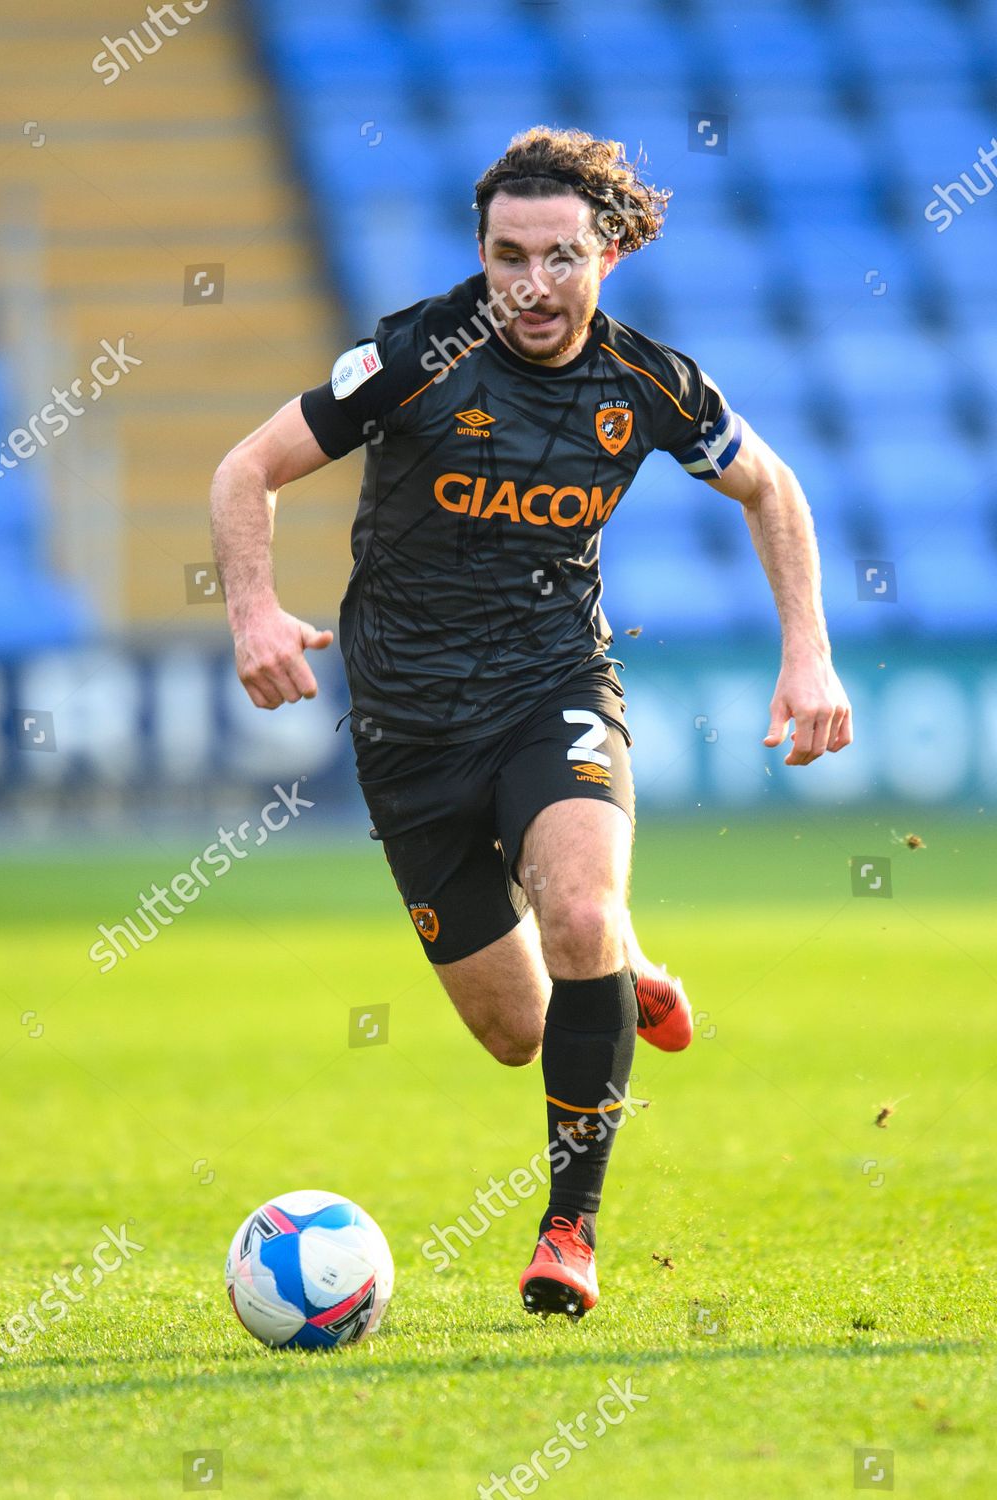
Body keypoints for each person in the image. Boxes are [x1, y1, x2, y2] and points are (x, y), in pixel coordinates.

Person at [210, 126, 853, 1321]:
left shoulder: (651, 384)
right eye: (508, 256)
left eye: (558, 257)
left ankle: (571, 1229)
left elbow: (772, 486)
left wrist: (805, 654)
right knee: (517, 1030)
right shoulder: (412, 354)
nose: (531, 286)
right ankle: (627, 971)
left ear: (606, 252)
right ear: (481, 253)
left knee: (575, 907)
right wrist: (252, 611)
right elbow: (243, 470)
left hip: (552, 689)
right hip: (405, 730)